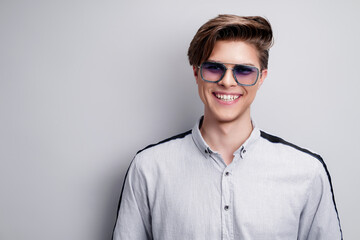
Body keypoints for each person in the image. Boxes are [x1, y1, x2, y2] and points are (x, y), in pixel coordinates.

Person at [112, 14, 342, 240]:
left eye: (244, 70)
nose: (228, 81)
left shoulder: (307, 173)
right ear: (196, 73)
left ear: (261, 78)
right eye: (214, 68)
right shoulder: (149, 169)